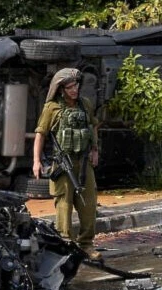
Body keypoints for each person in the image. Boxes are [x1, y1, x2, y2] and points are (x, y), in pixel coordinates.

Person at [32, 68, 100, 259]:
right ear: (61, 89)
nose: (74, 90)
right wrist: (36, 161)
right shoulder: (52, 108)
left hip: (83, 161)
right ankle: (66, 246)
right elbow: (40, 134)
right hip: (62, 164)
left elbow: (93, 125)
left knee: (89, 205)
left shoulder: (85, 105)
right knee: (64, 205)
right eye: (69, 87)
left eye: (76, 85)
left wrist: (95, 149)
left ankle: (86, 244)